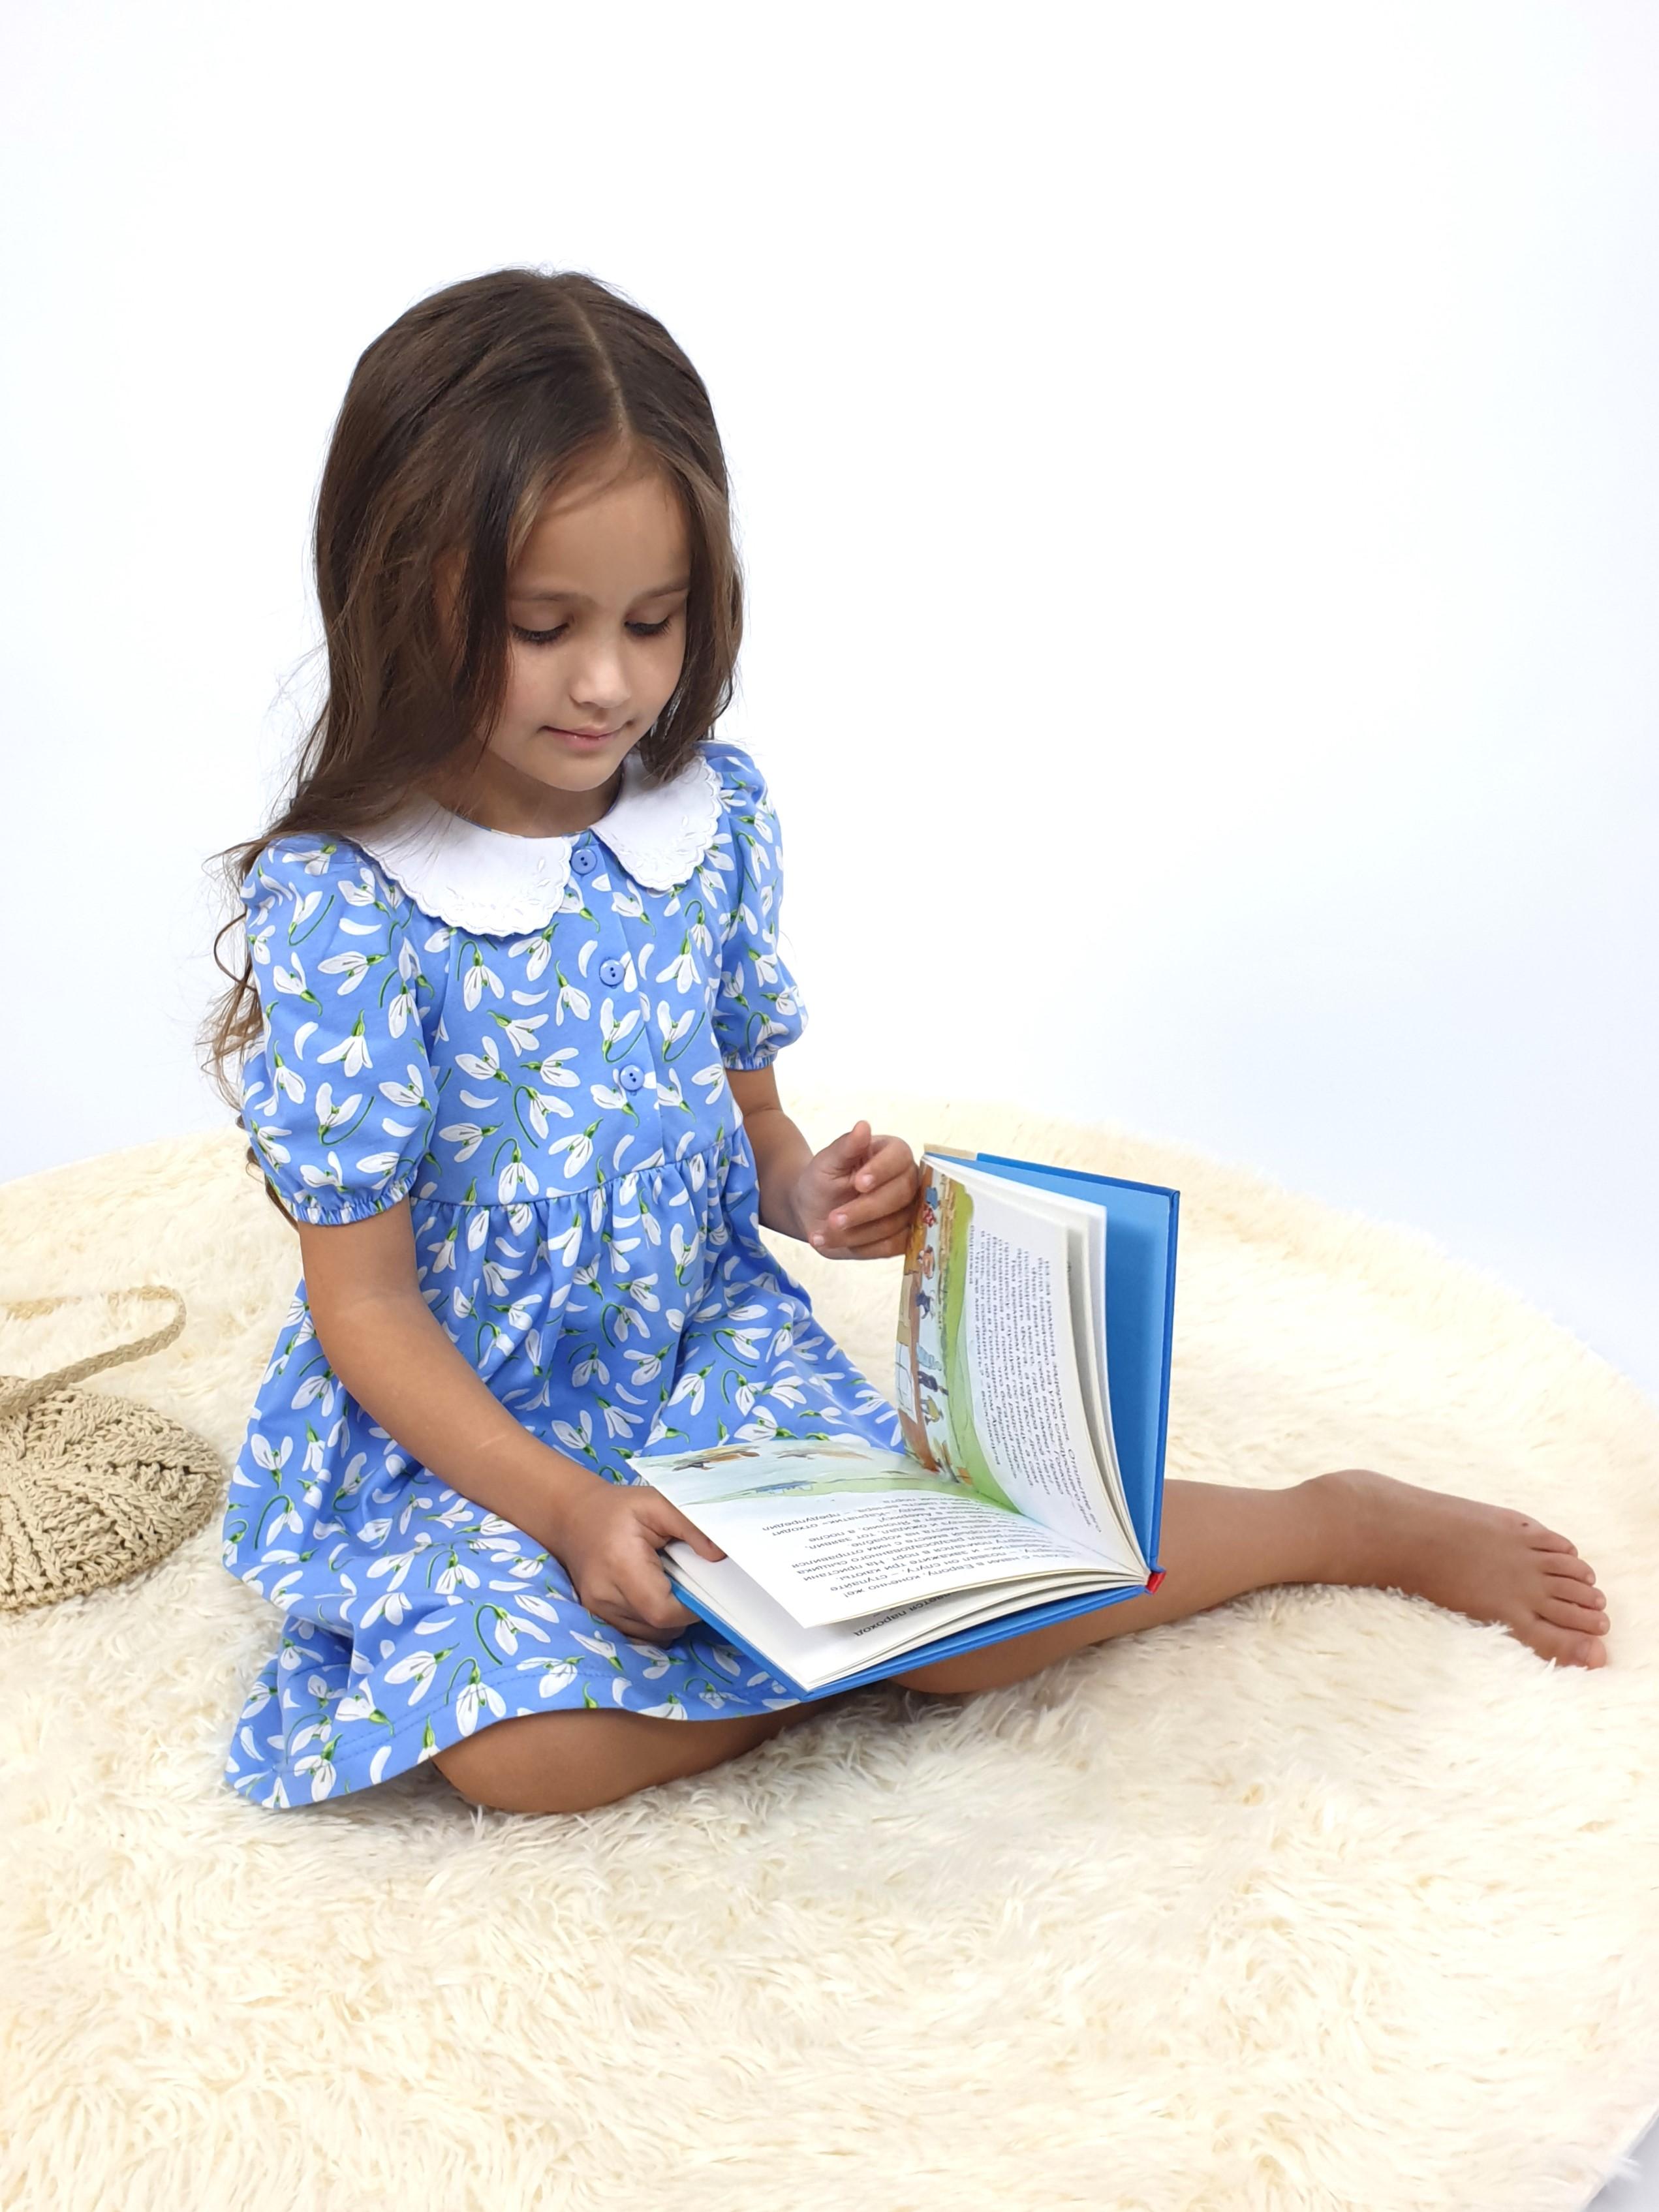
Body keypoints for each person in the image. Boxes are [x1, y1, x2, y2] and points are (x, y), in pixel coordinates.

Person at [208, 269, 1610, 1817]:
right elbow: (366, 1307)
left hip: (696, 1366)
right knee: (523, 1759)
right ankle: (881, 1658)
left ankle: (1327, 1520)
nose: (608, 682)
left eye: (652, 622)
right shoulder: (348, 902)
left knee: (986, 1565)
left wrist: (809, 1194)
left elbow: (750, 1124)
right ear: (405, 598)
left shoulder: (702, 824)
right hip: (478, 1431)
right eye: (544, 629)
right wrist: (566, 1512)